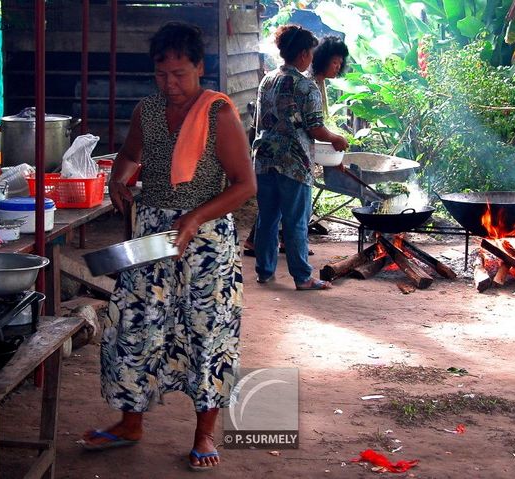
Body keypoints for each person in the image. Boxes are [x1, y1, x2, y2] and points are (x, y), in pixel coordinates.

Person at [80, 22, 256, 472]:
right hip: (153, 233)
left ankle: (203, 434)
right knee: (133, 326)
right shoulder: (148, 111)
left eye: (180, 73)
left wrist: (195, 217)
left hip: (206, 236)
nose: (171, 84)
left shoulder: (219, 114)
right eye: (162, 75)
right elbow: (129, 155)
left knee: (207, 331)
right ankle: (130, 422)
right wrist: (119, 180)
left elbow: (243, 185)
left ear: (200, 67)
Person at [252, 25, 348, 290]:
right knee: (295, 221)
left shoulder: (267, 80)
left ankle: (264, 270)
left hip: (264, 158)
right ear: (305, 53)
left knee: (267, 218)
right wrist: (336, 139)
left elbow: (260, 121)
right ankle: (303, 277)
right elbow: (315, 127)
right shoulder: (306, 86)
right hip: (294, 162)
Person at [311, 36, 349, 119]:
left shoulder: (320, 81)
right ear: (323, 60)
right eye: (335, 62)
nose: (338, 67)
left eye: (340, 63)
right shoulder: (311, 84)